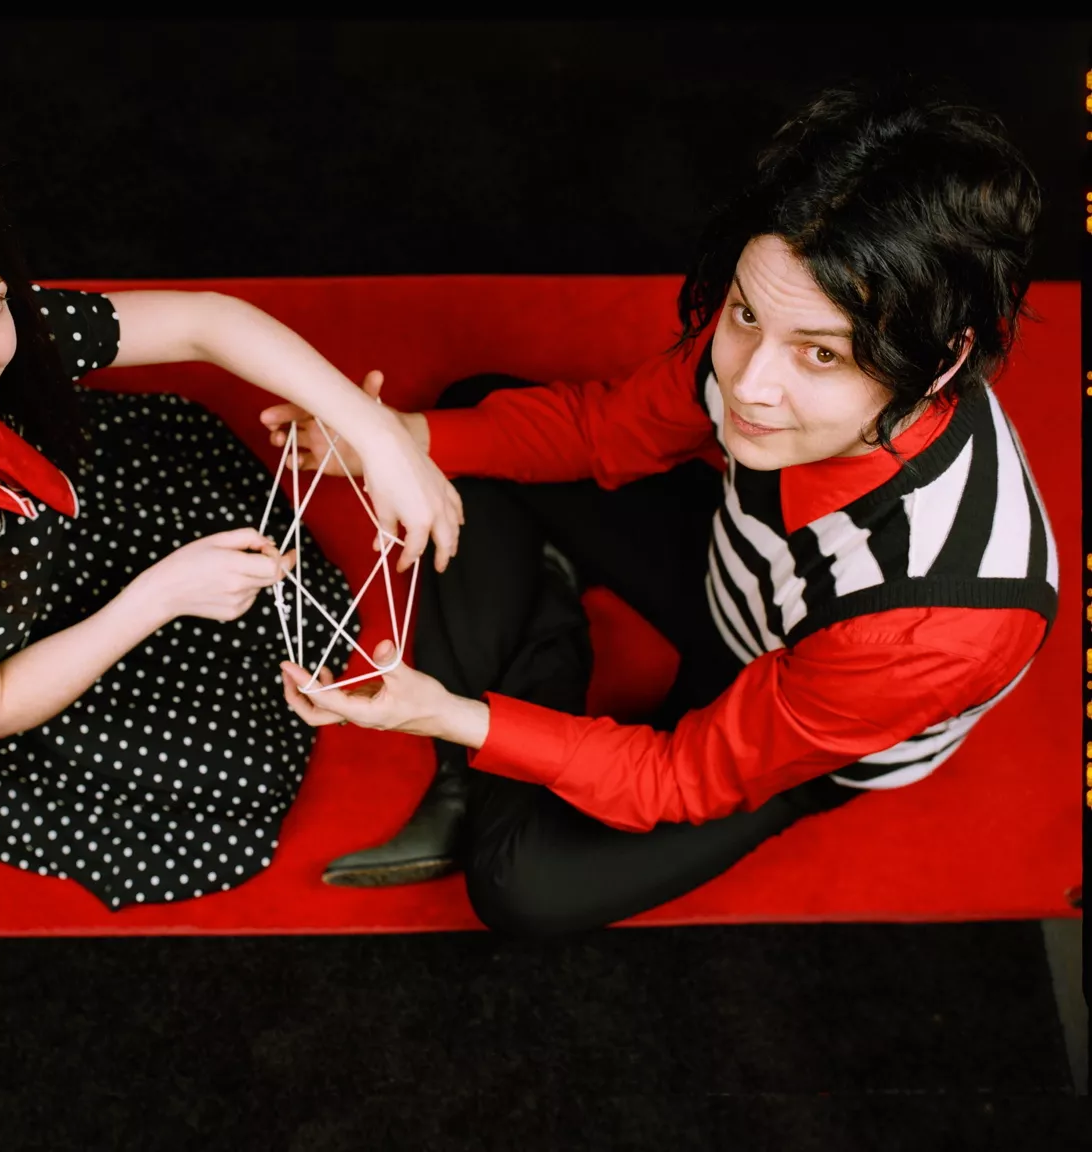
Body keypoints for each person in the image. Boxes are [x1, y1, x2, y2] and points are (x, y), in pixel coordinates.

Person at [266, 81, 1058, 934]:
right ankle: (511, 682)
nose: (749, 384)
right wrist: (387, 438)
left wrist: (453, 717)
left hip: (806, 712)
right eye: (745, 313)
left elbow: (680, 778)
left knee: (520, 886)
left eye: (822, 355)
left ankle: (507, 695)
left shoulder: (936, 623)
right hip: (731, 567)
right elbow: (604, 428)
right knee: (457, 426)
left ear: (941, 364)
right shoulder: (776, 326)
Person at [0, 121, 461, 911]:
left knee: (209, 494)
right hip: (5, 659)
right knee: (229, 778)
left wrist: (379, 435)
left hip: (56, 532)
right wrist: (162, 594)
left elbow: (205, 322)